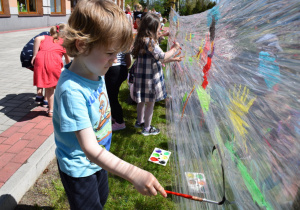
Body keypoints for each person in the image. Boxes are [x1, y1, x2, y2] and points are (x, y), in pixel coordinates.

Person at [53, 0, 167, 209]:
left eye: (118, 54)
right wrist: (133, 173)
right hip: (80, 168)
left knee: (101, 199)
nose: (115, 60)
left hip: (100, 160)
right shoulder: (72, 90)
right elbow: (88, 148)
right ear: (82, 45)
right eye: (110, 53)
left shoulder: (95, 71)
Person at [131, 13, 183, 136]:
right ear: (152, 28)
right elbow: (162, 56)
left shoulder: (141, 38)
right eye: (158, 27)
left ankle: (139, 122)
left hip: (142, 78)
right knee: (150, 103)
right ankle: (147, 128)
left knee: (141, 101)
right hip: (150, 80)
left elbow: (156, 58)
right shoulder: (150, 43)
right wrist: (175, 48)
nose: (160, 29)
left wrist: (174, 59)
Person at [31, 23, 70, 116]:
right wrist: (69, 68)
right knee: (51, 87)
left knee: (46, 83)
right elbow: (68, 60)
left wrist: (35, 55)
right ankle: (52, 109)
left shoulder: (45, 37)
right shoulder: (63, 43)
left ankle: (48, 106)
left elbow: (37, 39)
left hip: (40, 60)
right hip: (53, 62)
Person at [20, 31, 50, 105]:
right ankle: (46, 99)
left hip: (25, 57)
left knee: (41, 75)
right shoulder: (53, 38)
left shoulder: (45, 33)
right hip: (36, 58)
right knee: (47, 76)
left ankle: (39, 97)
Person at [105, 52, 131, 131]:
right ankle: (115, 117)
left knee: (112, 97)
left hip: (113, 69)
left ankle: (120, 122)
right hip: (122, 69)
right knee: (111, 95)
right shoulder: (124, 42)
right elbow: (128, 61)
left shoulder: (112, 42)